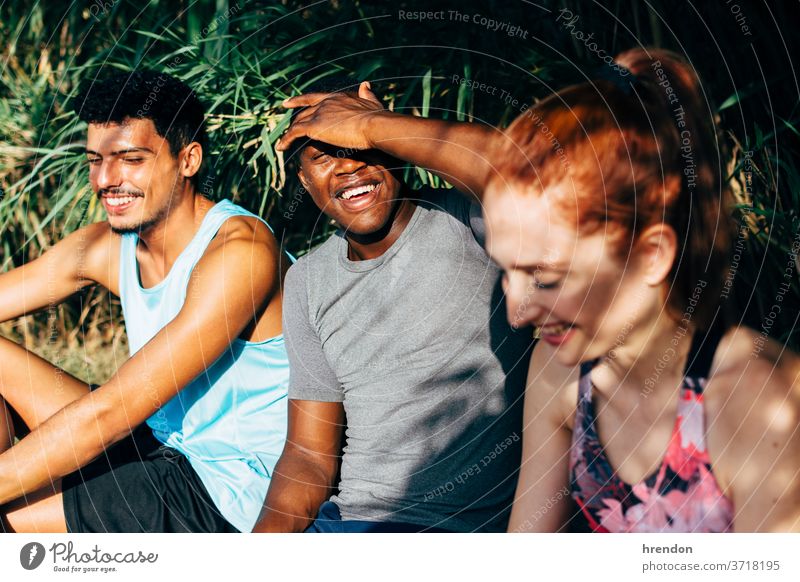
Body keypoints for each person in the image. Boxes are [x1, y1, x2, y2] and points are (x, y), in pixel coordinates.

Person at [476, 48, 799, 532]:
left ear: (651, 255)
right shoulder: (561, 366)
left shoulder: (758, 399)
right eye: (505, 271)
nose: (518, 315)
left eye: (545, 277)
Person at [0, 71, 290, 533]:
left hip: (225, 488)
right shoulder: (106, 247)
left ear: (188, 160)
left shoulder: (240, 252)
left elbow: (110, 413)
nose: (107, 180)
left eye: (131, 159)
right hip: (156, 443)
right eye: (95, 160)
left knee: (8, 518)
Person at [254, 81, 533, 532]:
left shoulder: (468, 220)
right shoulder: (307, 280)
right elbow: (308, 455)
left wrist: (372, 124)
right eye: (322, 156)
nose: (347, 166)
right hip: (348, 526)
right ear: (304, 182)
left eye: (360, 146)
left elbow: (520, 172)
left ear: (394, 146)